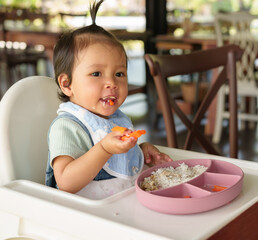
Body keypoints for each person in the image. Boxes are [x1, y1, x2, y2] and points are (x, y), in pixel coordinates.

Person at [45, 0, 172, 199]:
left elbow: (116, 164)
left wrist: (140, 151)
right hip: (81, 218)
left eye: (119, 74)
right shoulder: (67, 127)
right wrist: (103, 149)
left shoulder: (116, 119)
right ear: (67, 84)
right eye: (96, 74)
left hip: (119, 211)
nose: (111, 83)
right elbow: (66, 183)